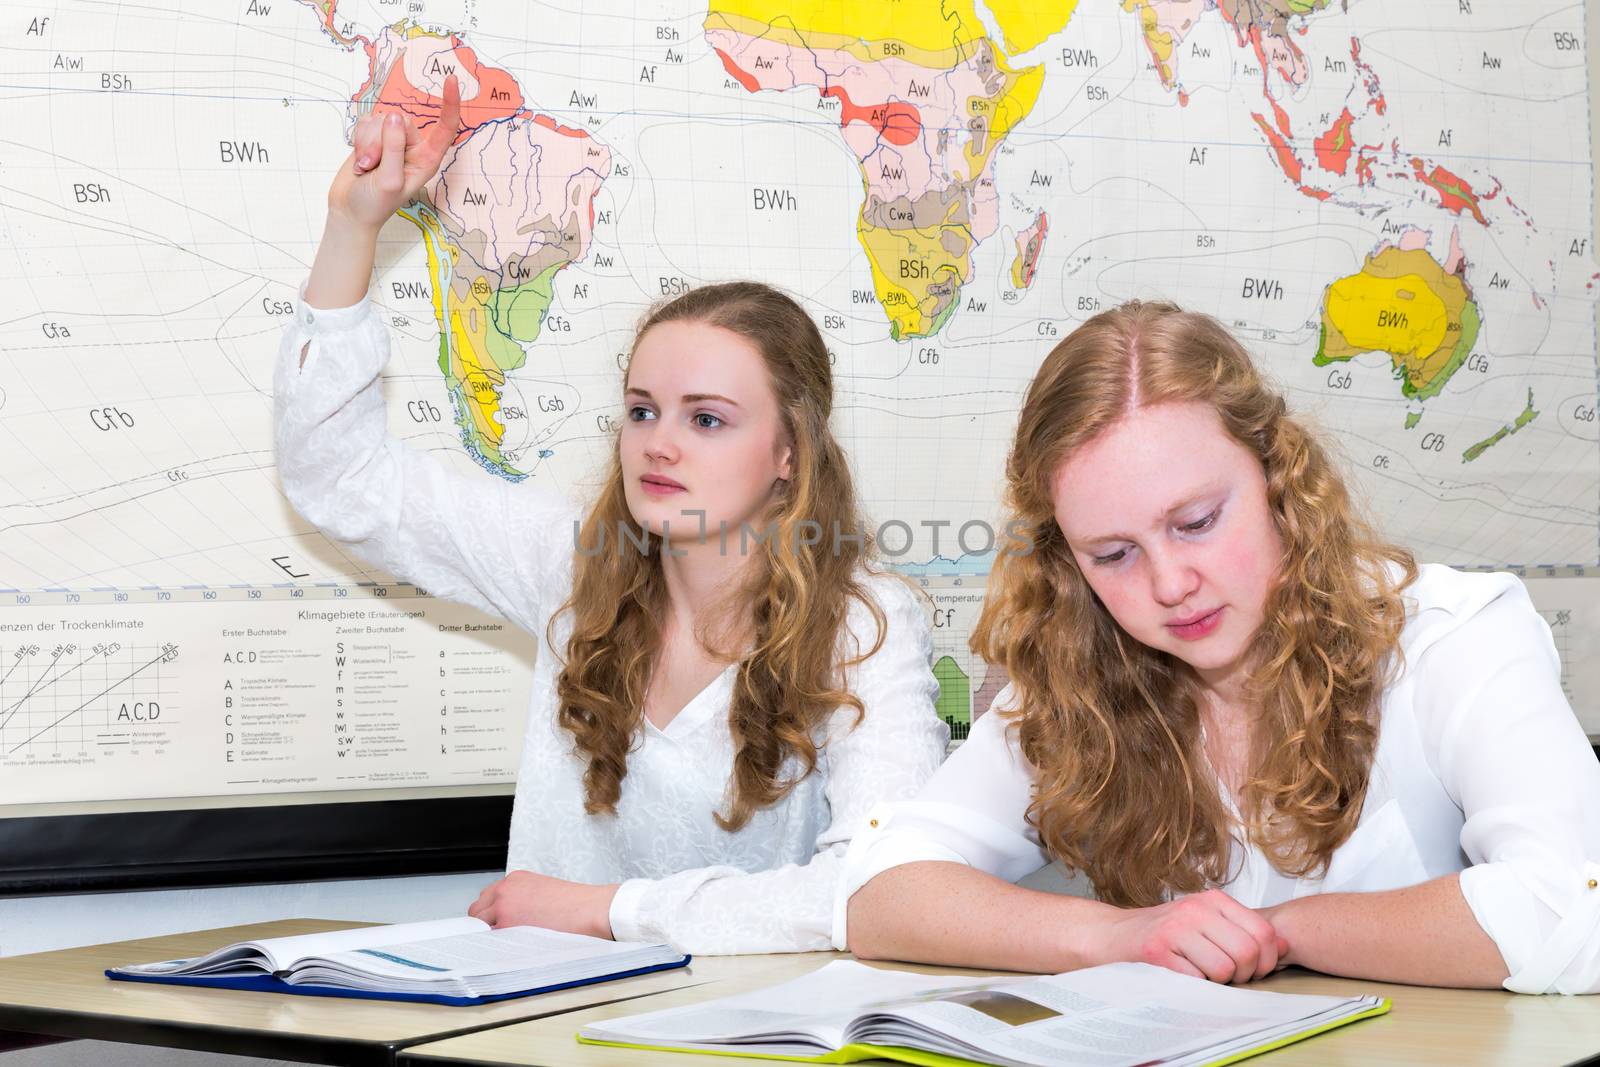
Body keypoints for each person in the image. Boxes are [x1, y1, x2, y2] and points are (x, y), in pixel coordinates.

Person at [275, 79, 947, 954]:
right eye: (641, 410)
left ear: (790, 452)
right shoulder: (567, 562)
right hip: (537, 1028)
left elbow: (879, 888)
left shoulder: (863, 623)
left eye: (706, 419)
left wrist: (604, 910)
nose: (658, 444)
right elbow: (339, 478)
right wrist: (353, 225)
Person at [841, 300, 1600, 993]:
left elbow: (1572, 903)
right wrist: (1125, 934)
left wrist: (1280, 935)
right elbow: (884, 891)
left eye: (1197, 521)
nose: (1171, 583)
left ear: (1276, 474)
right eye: (1113, 554)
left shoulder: (1451, 635)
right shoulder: (1076, 675)